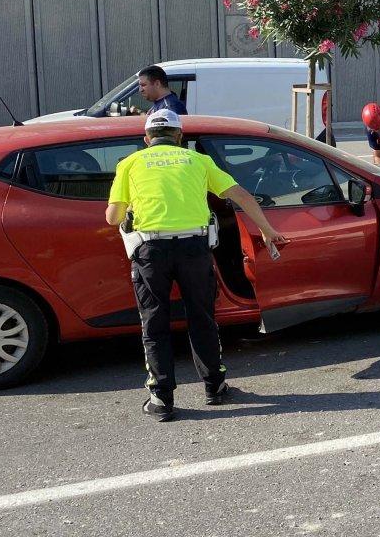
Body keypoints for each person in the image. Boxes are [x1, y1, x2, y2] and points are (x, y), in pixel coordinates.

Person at [105, 110, 288, 422]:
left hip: (151, 251)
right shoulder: (198, 161)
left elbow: (112, 218)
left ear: (147, 139)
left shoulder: (130, 164)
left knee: (154, 323)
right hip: (194, 248)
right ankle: (215, 387)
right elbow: (240, 195)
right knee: (202, 318)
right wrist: (268, 231)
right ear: (179, 137)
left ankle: (161, 399)